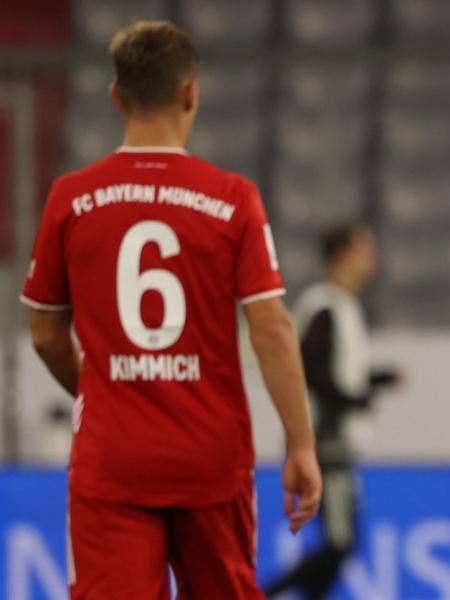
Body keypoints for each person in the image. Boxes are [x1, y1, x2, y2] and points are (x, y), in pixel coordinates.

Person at [20, 20, 321, 599]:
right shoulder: (232, 198)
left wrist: (101, 389)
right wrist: (301, 445)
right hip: (210, 456)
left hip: (114, 458)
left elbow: (45, 335)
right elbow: (273, 332)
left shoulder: (71, 197)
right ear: (191, 94)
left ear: (115, 97)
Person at [265, 223, 401, 599]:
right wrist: (352, 400)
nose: (372, 262)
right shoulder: (326, 306)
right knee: (340, 543)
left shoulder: (340, 307)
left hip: (336, 443)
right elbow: (311, 366)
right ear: (344, 254)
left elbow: (338, 373)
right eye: (365, 251)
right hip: (327, 444)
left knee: (342, 545)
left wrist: (379, 381)